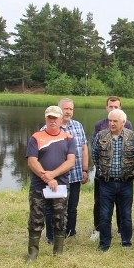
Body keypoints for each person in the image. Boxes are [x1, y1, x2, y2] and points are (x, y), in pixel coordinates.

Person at [26, 106, 76, 261]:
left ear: (61, 119)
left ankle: (58, 251)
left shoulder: (69, 138)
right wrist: (47, 178)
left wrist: (53, 175)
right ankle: (32, 253)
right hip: (38, 186)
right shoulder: (36, 137)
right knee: (36, 219)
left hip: (60, 186)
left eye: (55, 118)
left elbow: (70, 162)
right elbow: (32, 161)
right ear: (45, 119)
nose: (52, 121)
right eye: (49, 118)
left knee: (60, 218)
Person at [91, 109, 134, 251]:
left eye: (115, 121)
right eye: (110, 120)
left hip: (126, 182)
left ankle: (126, 242)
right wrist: (102, 169)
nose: (111, 123)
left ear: (123, 122)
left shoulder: (133, 136)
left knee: (126, 214)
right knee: (105, 214)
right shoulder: (101, 135)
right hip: (106, 182)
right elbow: (94, 154)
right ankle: (104, 244)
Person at [44, 98, 89, 243]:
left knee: (72, 207)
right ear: (59, 110)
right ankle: (51, 236)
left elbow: (84, 148)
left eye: (71, 109)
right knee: (53, 207)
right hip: (55, 177)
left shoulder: (78, 126)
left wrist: (85, 169)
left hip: (75, 174)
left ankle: (70, 232)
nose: (68, 112)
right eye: (65, 109)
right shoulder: (47, 129)